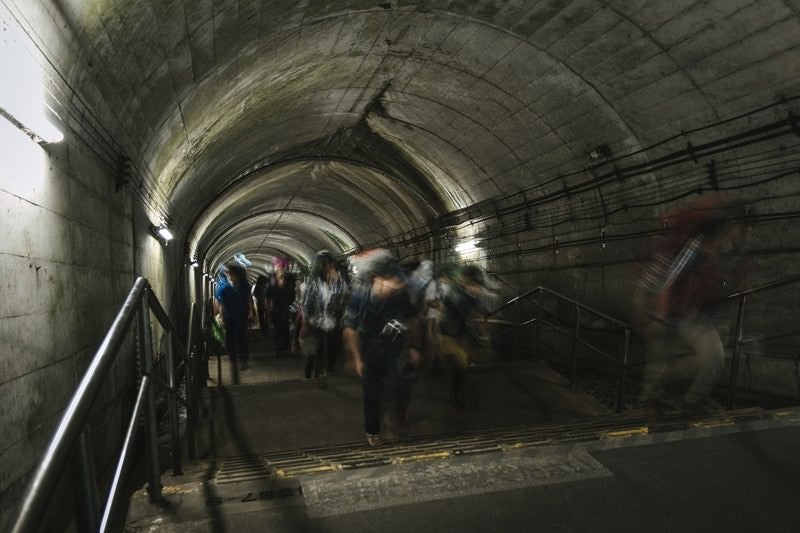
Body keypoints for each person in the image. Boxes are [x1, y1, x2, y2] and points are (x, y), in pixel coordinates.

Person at [635, 195, 744, 417]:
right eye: (741, 227)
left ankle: (691, 401)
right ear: (731, 224)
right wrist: (659, 318)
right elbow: (669, 280)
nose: (742, 233)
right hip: (669, 309)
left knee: (714, 356)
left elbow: (717, 282)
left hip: (693, 313)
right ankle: (650, 400)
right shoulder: (695, 245)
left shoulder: (725, 249)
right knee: (660, 358)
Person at [343, 250, 422, 446]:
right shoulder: (360, 298)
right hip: (369, 347)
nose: (392, 286)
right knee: (371, 393)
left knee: (401, 384)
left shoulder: (399, 296)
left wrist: (412, 347)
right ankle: (372, 430)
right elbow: (350, 329)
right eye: (388, 281)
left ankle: (397, 417)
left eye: (396, 282)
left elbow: (411, 320)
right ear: (374, 278)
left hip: (395, 345)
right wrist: (357, 358)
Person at [437, 264, 491, 409]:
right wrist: (481, 331)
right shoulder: (456, 295)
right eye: (473, 285)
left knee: (463, 364)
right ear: (465, 283)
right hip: (448, 334)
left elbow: (479, 310)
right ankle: (456, 393)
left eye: (478, 286)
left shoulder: (472, 295)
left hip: (460, 333)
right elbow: (468, 314)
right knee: (460, 363)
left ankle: (457, 389)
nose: (476, 289)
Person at [300, 250, 349, 387]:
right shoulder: (313, 284)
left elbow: (345, 298)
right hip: (316, 323)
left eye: (331, 263)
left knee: (333, 350)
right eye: (328, 264)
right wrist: (305, 324)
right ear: (322, 266)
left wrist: (338, 281)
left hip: (333, 323)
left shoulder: (339, 282)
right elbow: (306, 305)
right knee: (315, 352)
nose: (331, 266)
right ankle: (311, 377)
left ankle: (327, 374)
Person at [216, 263, 256, 369]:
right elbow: (220, 302)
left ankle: (243, 358)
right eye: (229, 274)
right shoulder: (223, 286)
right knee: (230, 336)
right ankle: (232, 356)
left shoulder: (243, 286)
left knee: (241, 335)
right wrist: (220, 314)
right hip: (228, 315)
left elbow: (249, 298)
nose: (230, 276)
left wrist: (252, 311)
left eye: (232, 274)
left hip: (241, 314)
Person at [266, 255, 296, 353]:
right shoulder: (271, 280)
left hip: (286, 307)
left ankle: (285, 347)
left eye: (282, 267)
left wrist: (291, 303)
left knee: (285, 327)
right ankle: (278, 347)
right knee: (277, 328)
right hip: (275, 307)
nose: (281, 269)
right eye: (279, 267)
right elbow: (268, 295)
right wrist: (268, 309)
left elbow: (293, 293)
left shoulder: (290, 279)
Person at [252, 273, 270, 338]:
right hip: (267, 304)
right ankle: (267, 331)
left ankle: (263, 333)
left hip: (260, 304)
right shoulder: (268, 285)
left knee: (261, 318)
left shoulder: (258, 286)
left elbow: (254, 294)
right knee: (267, 317)